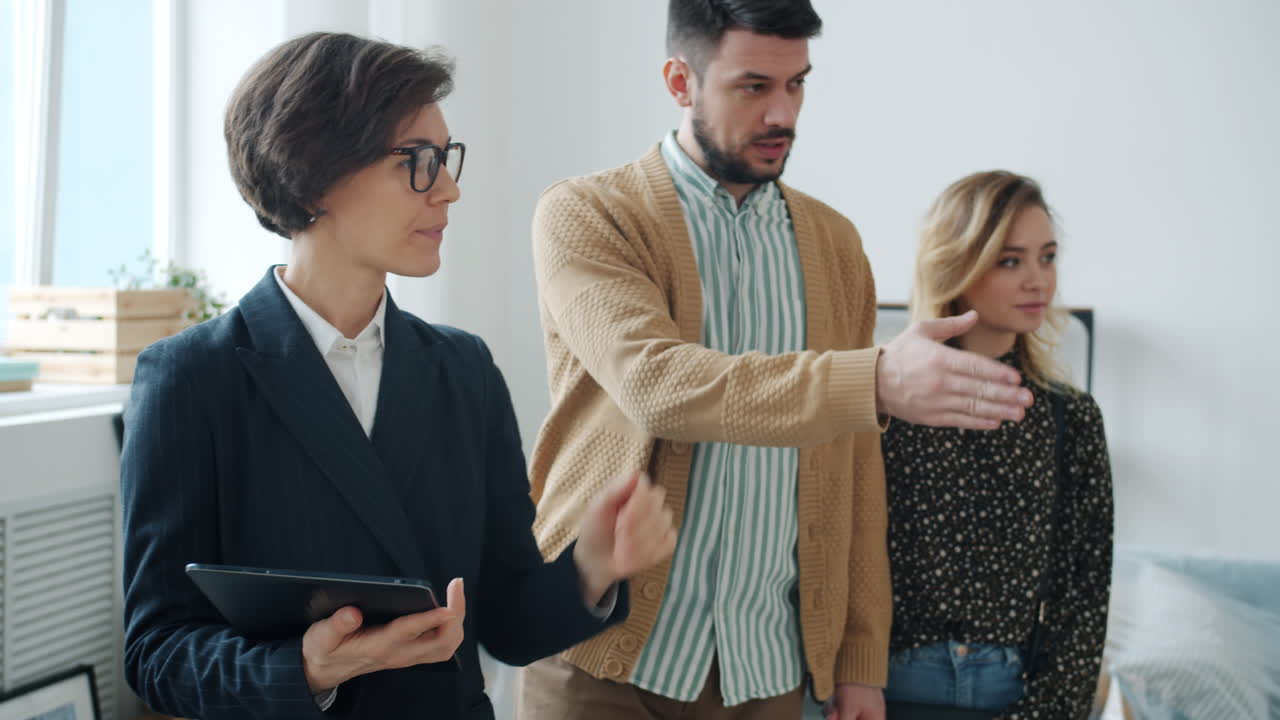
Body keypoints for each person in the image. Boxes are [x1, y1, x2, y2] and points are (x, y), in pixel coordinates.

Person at [120, 32, 676, 720]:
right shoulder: (190, 379)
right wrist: (307, 666)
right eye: (417, 162)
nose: (448, 189)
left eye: (446, 160)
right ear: (313, 171)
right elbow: (156, 653)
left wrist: (591, 566)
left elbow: (505, 625)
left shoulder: (463, 370)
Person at [516, 2, 1035, 719]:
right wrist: (876, 378)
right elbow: (659, 385)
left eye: (797, 85)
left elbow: (856, 468)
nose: (782, 113)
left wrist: (861, 660)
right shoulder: (588, 214)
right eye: (753, 87)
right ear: (680, 81)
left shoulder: (835, 246)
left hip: (765, 671)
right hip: (601, 660)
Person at [881, 171, 1114, 718]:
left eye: (1047, 257)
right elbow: (842, 558)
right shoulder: (883, 400)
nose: (1038, 280)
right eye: (1010, 261)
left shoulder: (1070, 418)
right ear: (955, 265)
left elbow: (1084, 591)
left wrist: (1048, 712)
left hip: (1010, 694)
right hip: (879, 691)